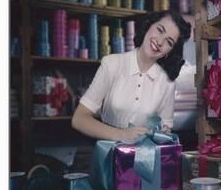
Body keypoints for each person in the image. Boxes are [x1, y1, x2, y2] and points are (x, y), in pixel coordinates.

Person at [71, 9, 191, 143]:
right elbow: (79, 119)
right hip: (108, 156)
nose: (160, 42)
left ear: (169, 51)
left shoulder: (167, 83)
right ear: (148, 26)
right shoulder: (111, 64)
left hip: (145, 160)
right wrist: (122, 135)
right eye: (160, 30)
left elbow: (164, 132)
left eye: (169, 42)